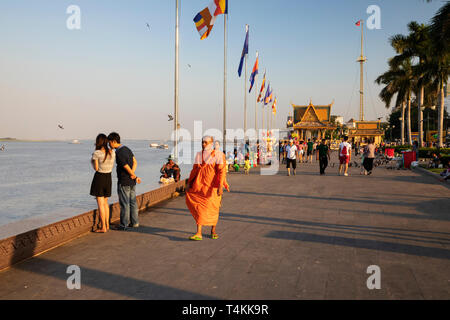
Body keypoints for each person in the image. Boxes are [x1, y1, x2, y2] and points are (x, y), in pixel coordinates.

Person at [186, 136, 229, 241]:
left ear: (211, 143)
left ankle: (213, 231)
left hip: (213, 187)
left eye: (206, 142)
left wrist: (220, 186)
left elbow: (222, 171)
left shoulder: (218, 155)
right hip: (200, 185)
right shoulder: (199, 155)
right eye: (202, 142)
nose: (203, 144)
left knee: (213, 208)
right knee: (200, 208)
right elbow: (194, 170)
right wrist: (189, 182)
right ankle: (199, 233)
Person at [107, 132, 141, 231]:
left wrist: (132, 175)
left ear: (113, 141)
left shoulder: (119, 153)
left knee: (124, 203)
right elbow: (135, 162)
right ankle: (135, 223)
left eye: (109, 142)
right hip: (131, 181)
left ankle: (123, 225)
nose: (109, 145)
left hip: (124, 181)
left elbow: (125, 166)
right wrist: (133, 174)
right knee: (133, 202)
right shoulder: (127, 149)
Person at [90, 134, 115, 233]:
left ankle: (103, 227)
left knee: (100, 204)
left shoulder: (97, 153)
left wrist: (92, 162)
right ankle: (107, 224)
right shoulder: (112, 153)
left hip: (99, 177)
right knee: (105, 203)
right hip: (108, 178)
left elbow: (96, 168)